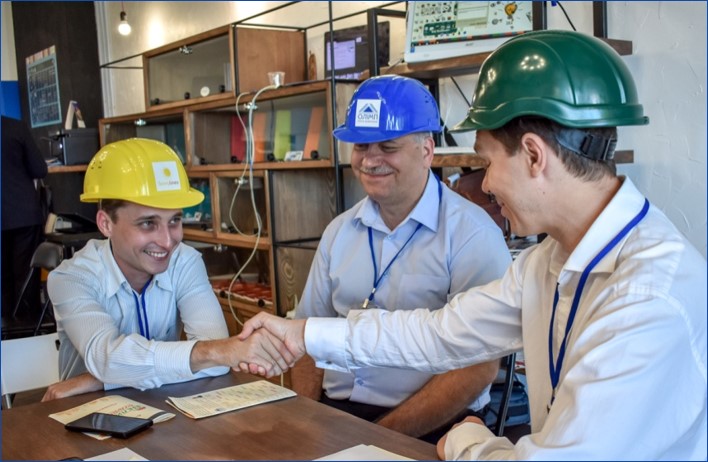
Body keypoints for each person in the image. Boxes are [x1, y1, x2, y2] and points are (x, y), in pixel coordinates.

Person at [239, 30, 707, 460]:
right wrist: (305, 334)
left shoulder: (646, 297)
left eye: (486, 162)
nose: (484, 185)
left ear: (533, 155)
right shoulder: (545, 262)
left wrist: (469, 441)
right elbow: (440, 334)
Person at [291, 75, 512, 442]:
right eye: (361, 146)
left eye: (387, 146)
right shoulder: (338, 231)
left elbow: (477, 368)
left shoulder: (472, 235)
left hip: (433, 427)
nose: (370, 160)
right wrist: (306, 421)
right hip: (334, 416)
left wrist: (378, 439)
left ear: (427, 150)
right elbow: (306, 337)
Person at [43, 138, 292, 401]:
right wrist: (213, 352)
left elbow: (217, 364)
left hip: (168, 412)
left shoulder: (185, 261)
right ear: (106, 224)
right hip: (89, 415)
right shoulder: (71, 278)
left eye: (174, 220)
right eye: (148, 223)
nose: (167, 241)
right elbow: (107, 358)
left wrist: (99, 379)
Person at [1, 115, 49, 323]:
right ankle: (27, 324)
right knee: (26, 274)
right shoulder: (15, 127)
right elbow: (39, 169)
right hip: (23, 213)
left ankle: (6, 325)